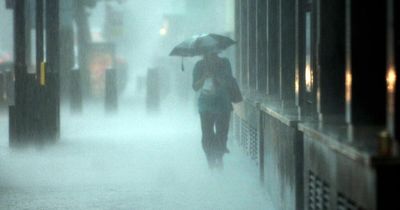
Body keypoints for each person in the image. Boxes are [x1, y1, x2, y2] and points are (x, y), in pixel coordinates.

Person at [192, 52, 233, 169]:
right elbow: (195, 87)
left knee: (222, 134)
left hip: (223, 104)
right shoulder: (199, 66)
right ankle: (210, 160)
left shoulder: (224, 63)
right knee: (207, 135)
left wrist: (217, 78)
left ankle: (219, 158)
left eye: (213, 52)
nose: (212, 55)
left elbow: (228, 82)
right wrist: (204, 77)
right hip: (206, 105)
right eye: (208, 52)